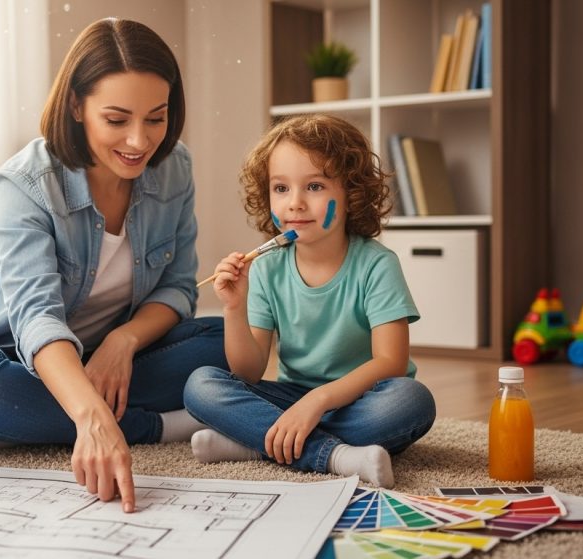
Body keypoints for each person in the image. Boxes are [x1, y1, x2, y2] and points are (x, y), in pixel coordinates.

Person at [0, 18, 226, 513]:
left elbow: (177, 289)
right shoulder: (24, 184)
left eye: (155, 118)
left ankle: (21, 429)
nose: (139, 141)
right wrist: (92, 418)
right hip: (16, 362)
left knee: (226, 342)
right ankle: (156, 425)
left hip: (115, 361)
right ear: (76, 106)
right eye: (117, 120)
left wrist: (123, 341)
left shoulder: (175, 168)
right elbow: (35, 318)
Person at [182, 114, 436, 489]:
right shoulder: (268, 268)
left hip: (363, 398)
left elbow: (391, 362)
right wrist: (234, 307)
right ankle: (331, 454)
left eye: (314, 186)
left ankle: (261, 440)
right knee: (200, 384)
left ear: (351, 194)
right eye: (281, 189)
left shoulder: (377, 265)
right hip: (293, 397)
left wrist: (316, 403)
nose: (295, 204)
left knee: (412, 401)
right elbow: (248, 372)